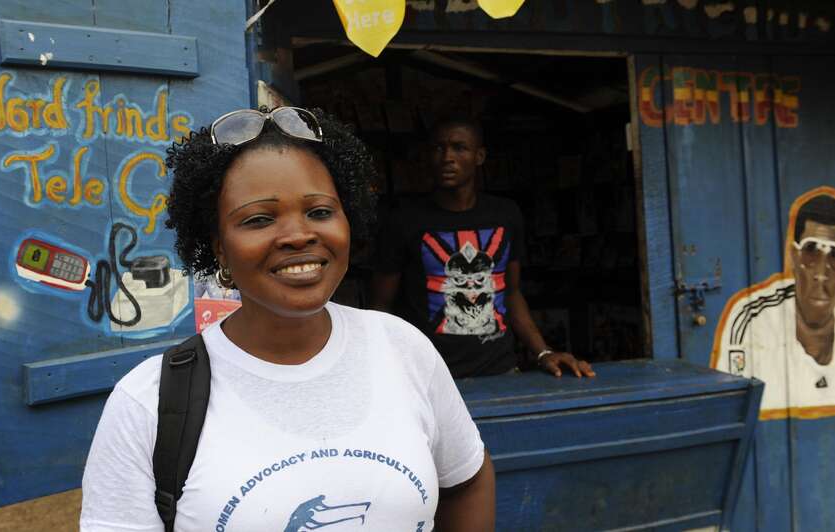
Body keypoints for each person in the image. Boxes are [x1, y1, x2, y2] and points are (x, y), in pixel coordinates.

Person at [80, 107, 495, 531]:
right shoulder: (150, 402)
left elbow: (467, 479)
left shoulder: (401, 347)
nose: (298, 235)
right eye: (259, 219)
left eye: (319, 212)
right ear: (219, 248)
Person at [370, 116, 596, 379]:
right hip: (430, 376)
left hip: (500, 371)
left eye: (459, 147)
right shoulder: (404, 219)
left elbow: (511, 292)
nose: (447, 157)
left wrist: (543, 352)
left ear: (479, 156)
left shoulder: (505, 214)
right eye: (438, 148)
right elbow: (380, 305)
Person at [714, 193, 835, 416]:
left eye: (834, 255)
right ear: (794, 257)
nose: (821, 273)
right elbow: (729, 412)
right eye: (811, 251)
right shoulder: (751, 318)